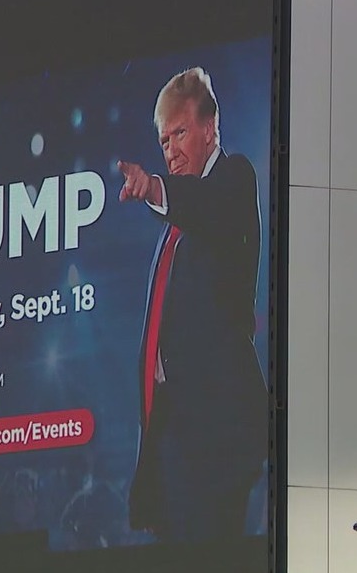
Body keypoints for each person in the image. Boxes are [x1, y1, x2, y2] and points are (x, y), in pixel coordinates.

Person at [118, 67, 267, 542]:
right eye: (163, 141)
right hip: (175, 436)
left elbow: (205, 204)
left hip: (216, 433)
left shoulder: (233, 178)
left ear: (210, 128)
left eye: (179, 133)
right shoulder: (175, 231)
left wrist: (156, 188)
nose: (171, 150)